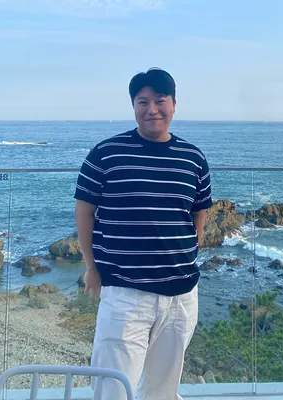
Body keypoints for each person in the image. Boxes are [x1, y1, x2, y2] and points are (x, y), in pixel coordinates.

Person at [74, 68, 212, 400]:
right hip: (125, 295)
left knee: (163, 390)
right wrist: (91, 267)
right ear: (133, 106)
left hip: (181, 297)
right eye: (143, 101)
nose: (152, 109)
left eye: (160, 101)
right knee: (113, 389)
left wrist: (193, 245)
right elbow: (84, 211)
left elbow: (199, 210)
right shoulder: (106, 154)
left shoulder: (193, 158)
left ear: (174, 104)